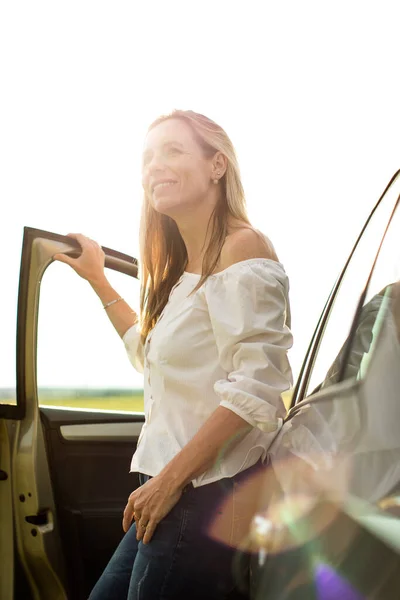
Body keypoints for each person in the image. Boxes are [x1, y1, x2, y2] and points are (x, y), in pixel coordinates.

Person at [54, 110, 293, 600]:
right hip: (172, 487)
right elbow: (149, 354)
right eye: (147, 157)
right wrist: (99, 279)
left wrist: (168, 482)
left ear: (217, 165)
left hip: (202, 493)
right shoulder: (186, 272)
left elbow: (257, 388)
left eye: (172, 151)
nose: (154, 166)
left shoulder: (242, 249)